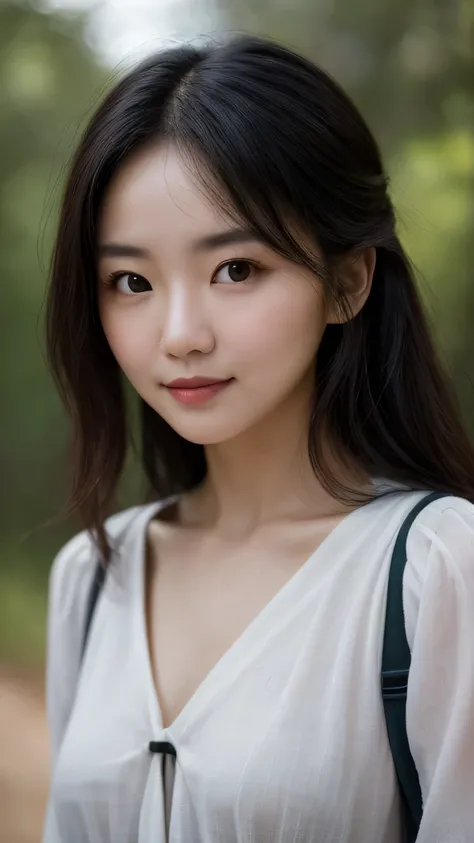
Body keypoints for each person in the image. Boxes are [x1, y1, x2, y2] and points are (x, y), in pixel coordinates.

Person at [42, 34, 474, 843]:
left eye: (236, 268)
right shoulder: (95, 574)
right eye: (131, 281)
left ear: (346, 281)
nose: (180, 335)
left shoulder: (436, 570)